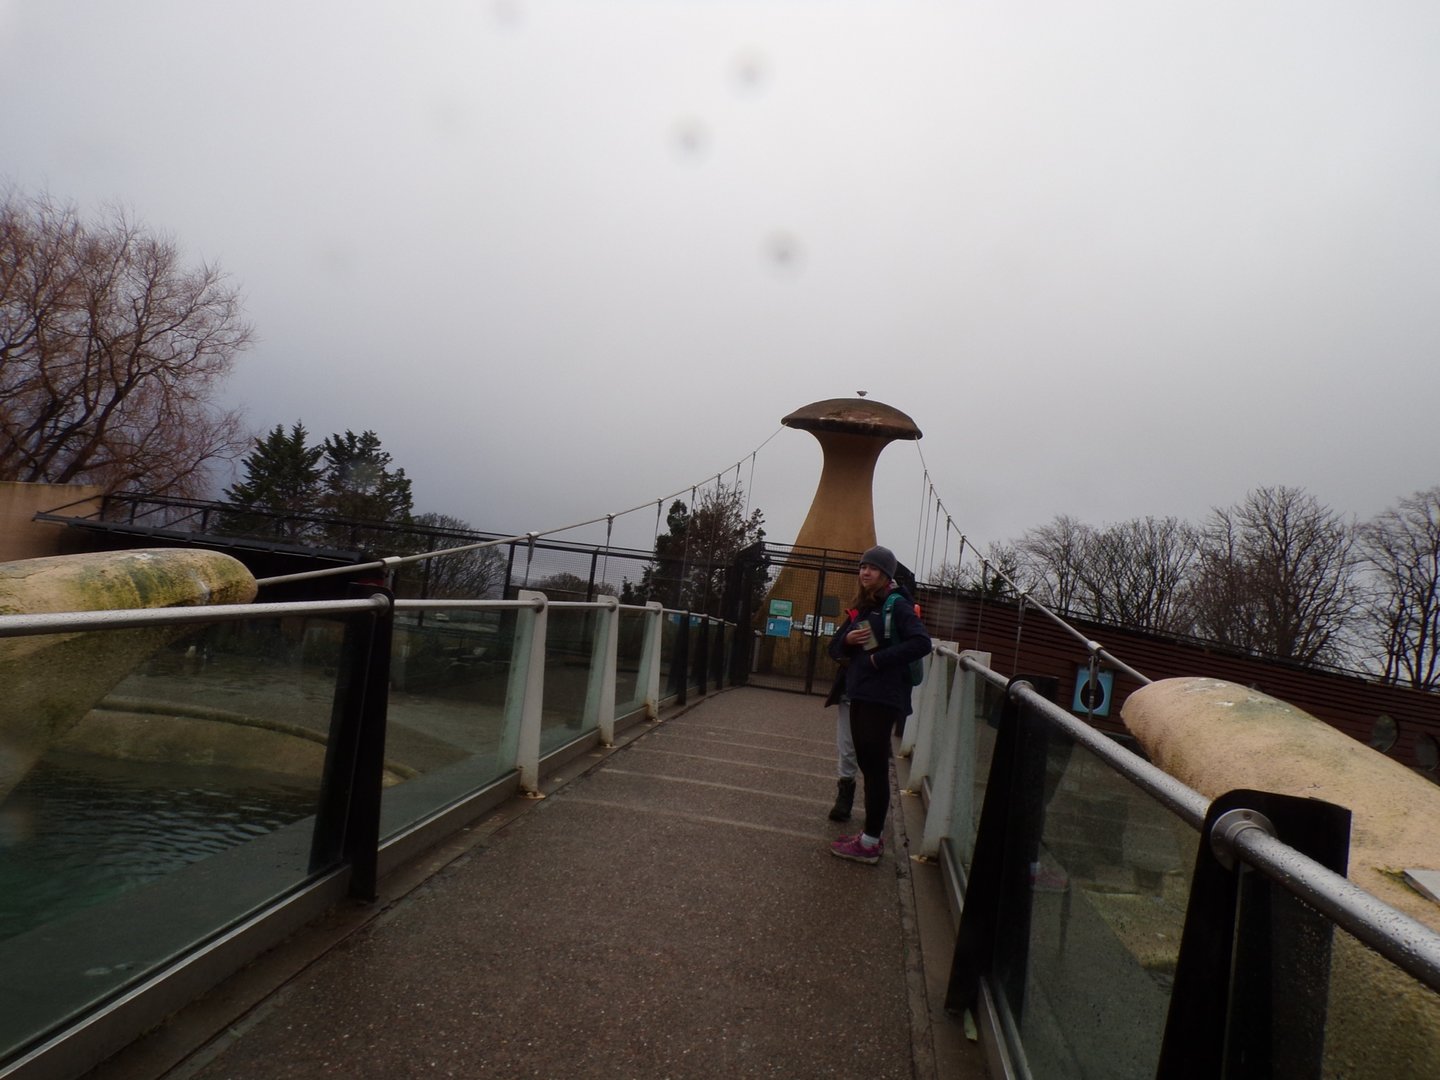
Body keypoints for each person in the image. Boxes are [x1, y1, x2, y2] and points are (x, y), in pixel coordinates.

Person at [826, 545, 931, 864]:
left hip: (881, 697)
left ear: (886, 574)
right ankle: (870, 835)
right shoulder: (864, 607)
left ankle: (871, 842)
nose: (865, 572)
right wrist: (847, 641)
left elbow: (921, 643)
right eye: (862, 567)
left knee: (874, 769)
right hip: (860, 693)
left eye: (872, 568)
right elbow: (833, 648)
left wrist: (876, 660)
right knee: (868, 765)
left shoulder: (897, 605)